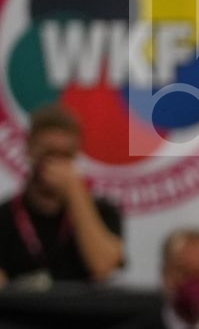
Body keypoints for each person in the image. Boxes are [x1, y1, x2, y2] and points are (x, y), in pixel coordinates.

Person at [0, 104, 125, 288]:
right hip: (21, 313)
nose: (56, 163)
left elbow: (103, 267)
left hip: (81, 314)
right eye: (49, 153)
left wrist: (75, 191)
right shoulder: (5, 216)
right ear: (29, 149)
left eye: (65, 155)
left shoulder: (103, 211)